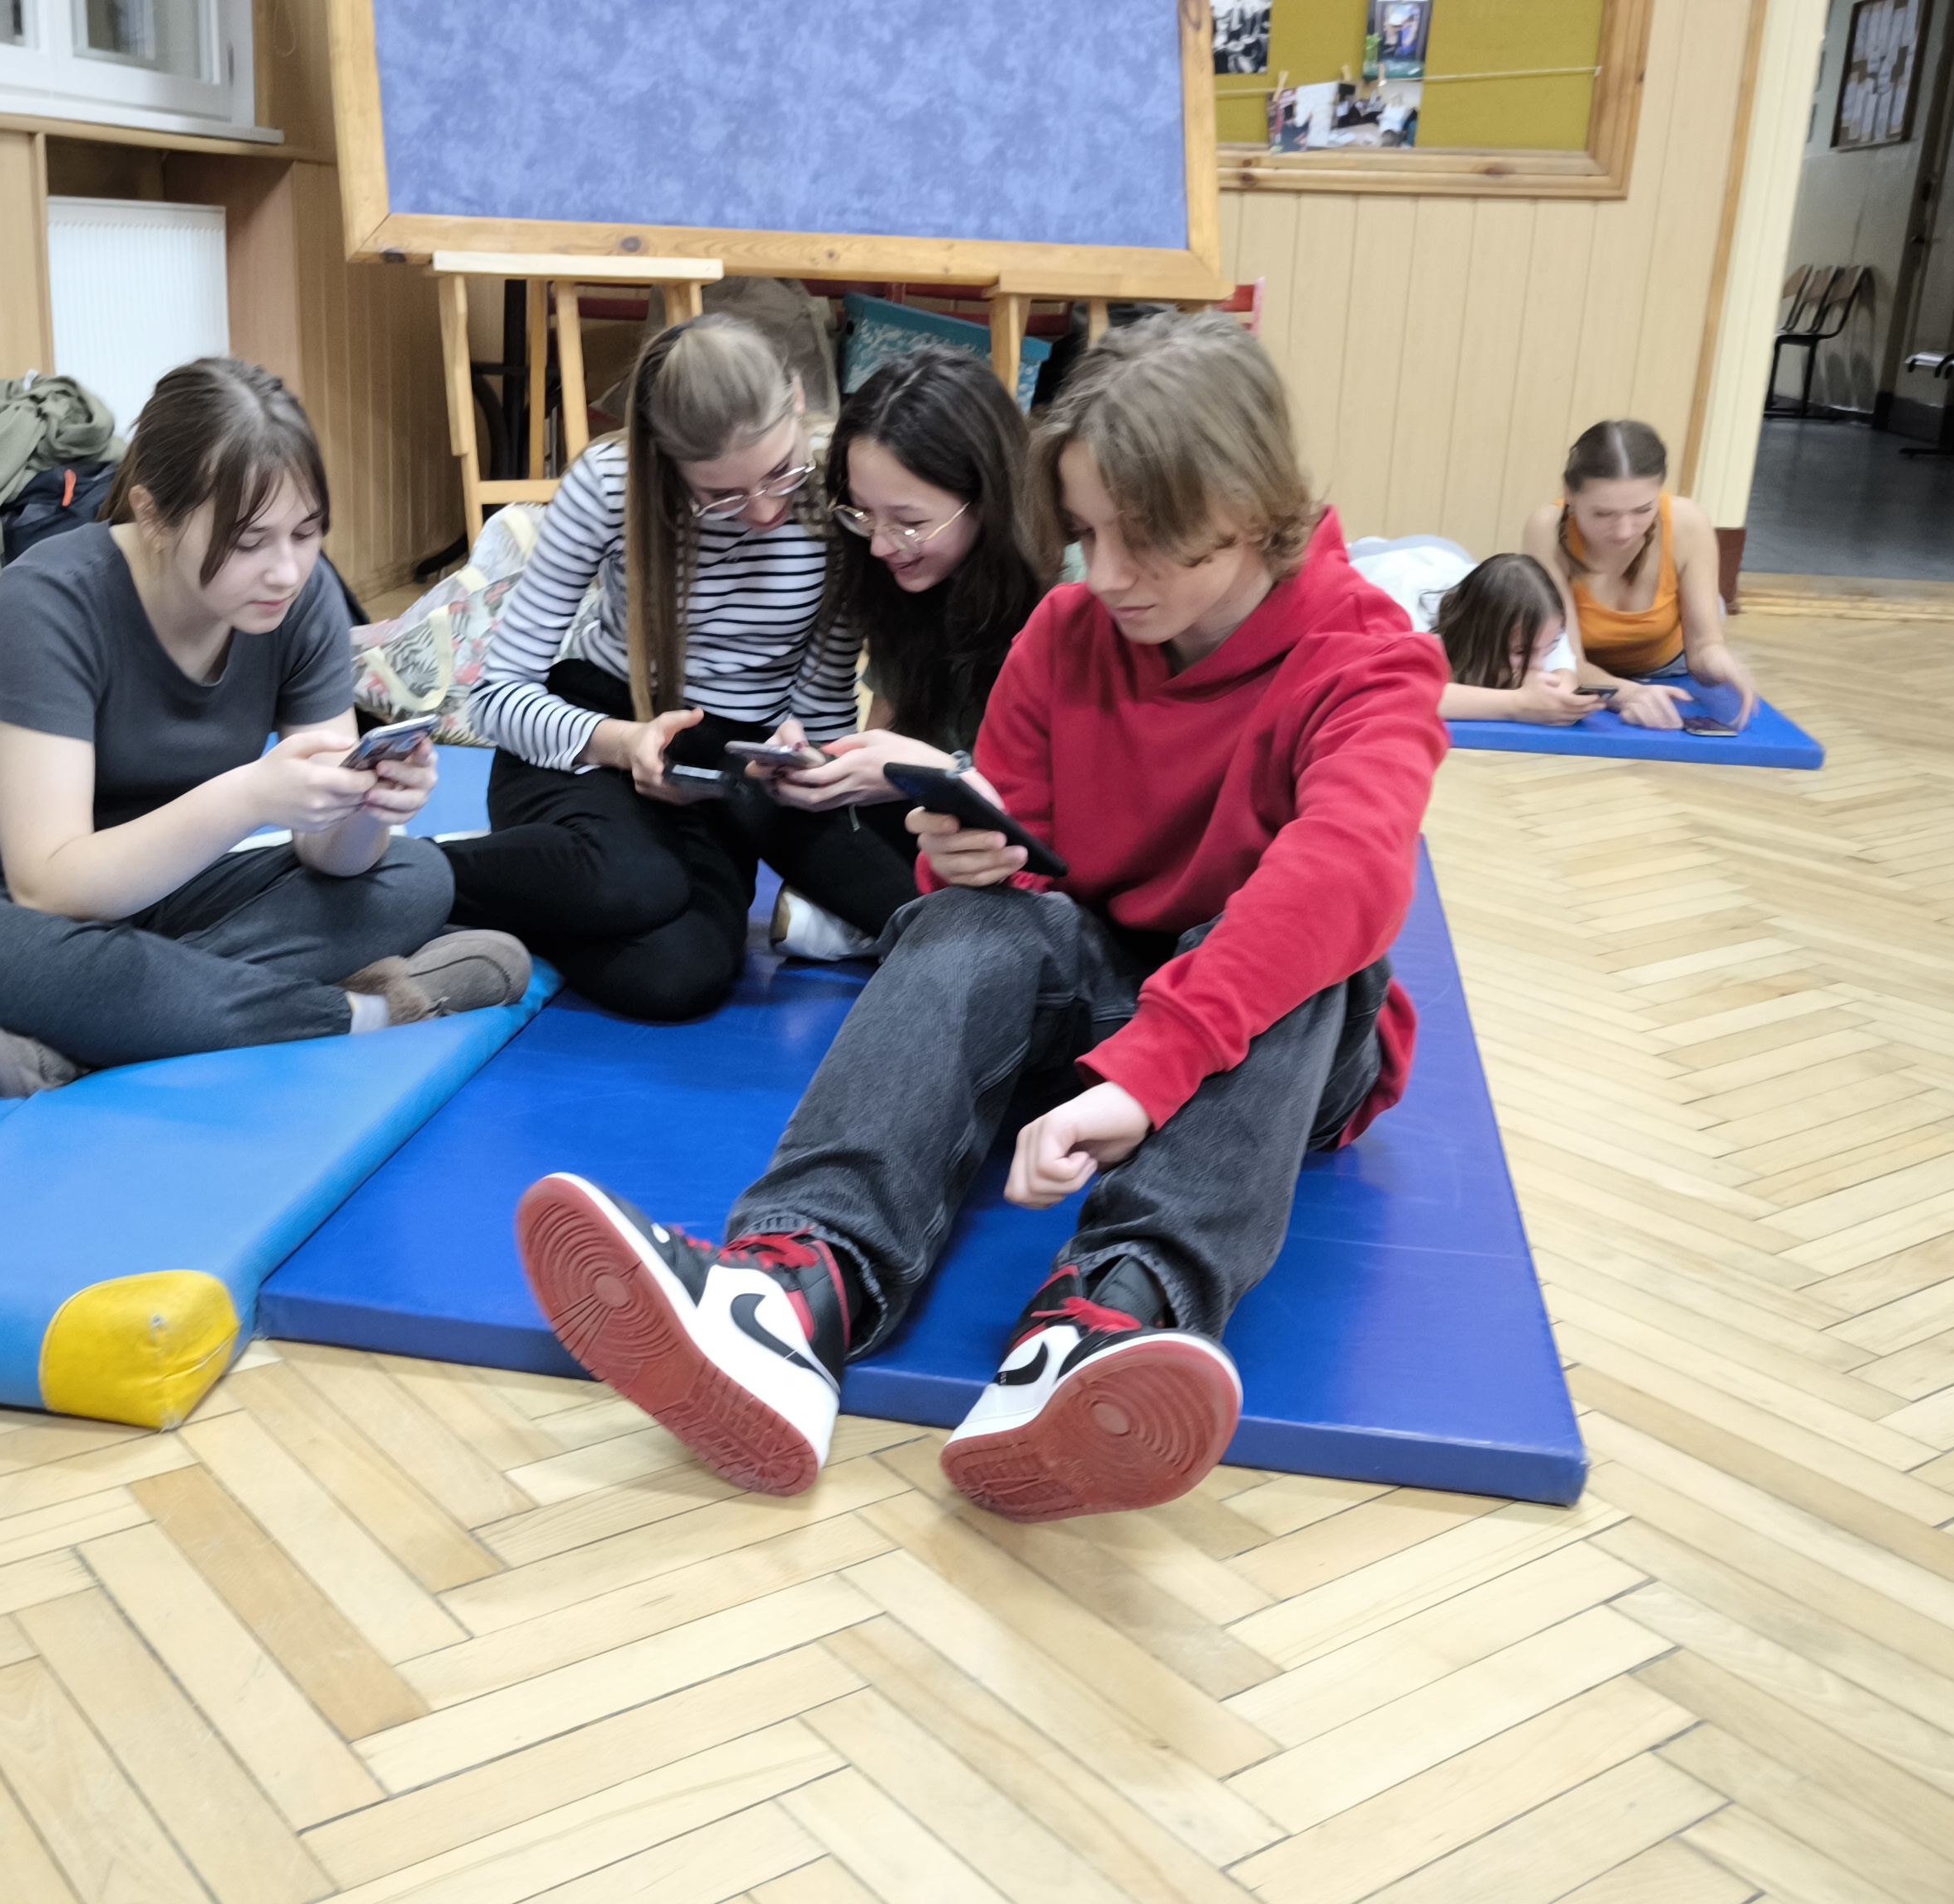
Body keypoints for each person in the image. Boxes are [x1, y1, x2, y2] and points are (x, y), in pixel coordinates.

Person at [507, 315, 1448, 1523]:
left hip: (1273, 1055)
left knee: (1304, 947)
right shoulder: (1066, 634)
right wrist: (965, 865)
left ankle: (1106, 1323)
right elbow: (1025, 883)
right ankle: (790, 1292)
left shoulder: (1370, 658)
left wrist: (1148, 1071)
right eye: (1088, 534)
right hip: (1108, 1018)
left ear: (1252, 510)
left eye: (1146, 541)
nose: (1106, 575)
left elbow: (1344, 874)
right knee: (964, 926)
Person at [0, 357, 529, 1097]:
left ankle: (94, 1030)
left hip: (177, 893)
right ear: (153, 515)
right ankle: (366, 1011)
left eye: (306, 532)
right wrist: (251, 797)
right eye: (249, 541)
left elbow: (331, 859)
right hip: (9, 903)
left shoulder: (302, 599)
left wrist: (366, 805)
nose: (286, 571)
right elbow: (49, 886)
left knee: (415, 877)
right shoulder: (50, 598)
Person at [444, 315, 915, 1020]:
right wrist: (623, 744)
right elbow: (497, 698)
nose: (763, 511)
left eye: (779, 473)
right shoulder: (610, 484)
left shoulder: (836, 486)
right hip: (593, 737)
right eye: (721, 495)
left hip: (728, 773)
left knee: (681, 976)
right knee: (636, 881)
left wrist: (803, 756)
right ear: (667, 459)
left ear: (796, 400)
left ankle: (535, 884)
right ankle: (415, 875)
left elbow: (822, 704)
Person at [755, 346, 1058, 958]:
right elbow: (889, 733)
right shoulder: (900, 581)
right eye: (863, 514)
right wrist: (827, 766)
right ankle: (909, 927)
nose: (882, 545)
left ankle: (905, 928)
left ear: (986, 500)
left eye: (910, 522)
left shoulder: (1062, 599)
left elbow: (1059, 817)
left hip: (1026, 847)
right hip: (939, 831)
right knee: (762, 799)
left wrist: (933, 772)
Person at [1519, 420, 1758, 731]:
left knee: (1714, 608)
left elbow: (1703, 647)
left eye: (1643, 510)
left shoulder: (1688, 522)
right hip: (1584, 665)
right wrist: (1627, 693)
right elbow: (1566, 662)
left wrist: (1721, 661)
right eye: (1603, 513)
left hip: (1670, 662)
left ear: (1660, 493)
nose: (1624, 531)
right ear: (1570, 495)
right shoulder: (1546, 529)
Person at [1429, 553, 1606, 725]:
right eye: (1521, 651)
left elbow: (1562, 692)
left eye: (1549, 648)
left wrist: (1569, 705)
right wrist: (1518, 703)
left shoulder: (1546, 627)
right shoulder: (1420, 626)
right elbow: (1418, 697)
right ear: (1476, 639)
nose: (1539, 667)